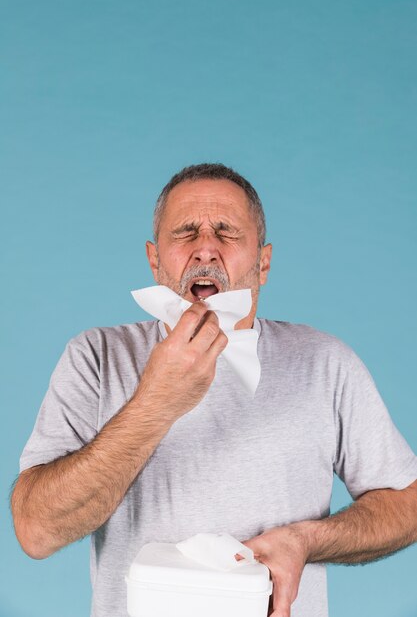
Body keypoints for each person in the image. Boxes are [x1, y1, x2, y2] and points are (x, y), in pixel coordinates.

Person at [11, 163, 417, 617]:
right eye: (185, 233)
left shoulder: (324, 363)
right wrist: (157, 402)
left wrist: (307, 540)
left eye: (227, 232)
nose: (205, 248)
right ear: (154, 259)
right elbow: (36, 530)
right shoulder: (97, 357)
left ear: (262, 263)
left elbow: (408, 504)